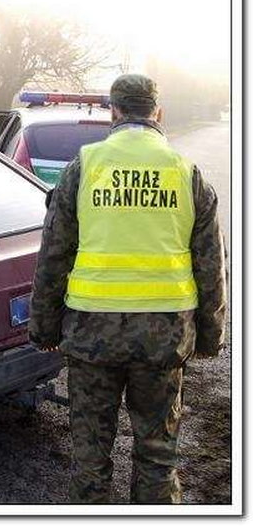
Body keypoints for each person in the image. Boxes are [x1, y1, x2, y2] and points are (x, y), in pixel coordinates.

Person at [28, 73, 226, 504]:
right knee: (157, 455)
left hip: (91, 335)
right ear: (158, 112)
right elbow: (210, 264)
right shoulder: (186, 173)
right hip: (164, 338)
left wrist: (44, 328)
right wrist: (211, 336)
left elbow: (54, 254)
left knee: (91, 455)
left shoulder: (85, 167)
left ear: (113, 112)